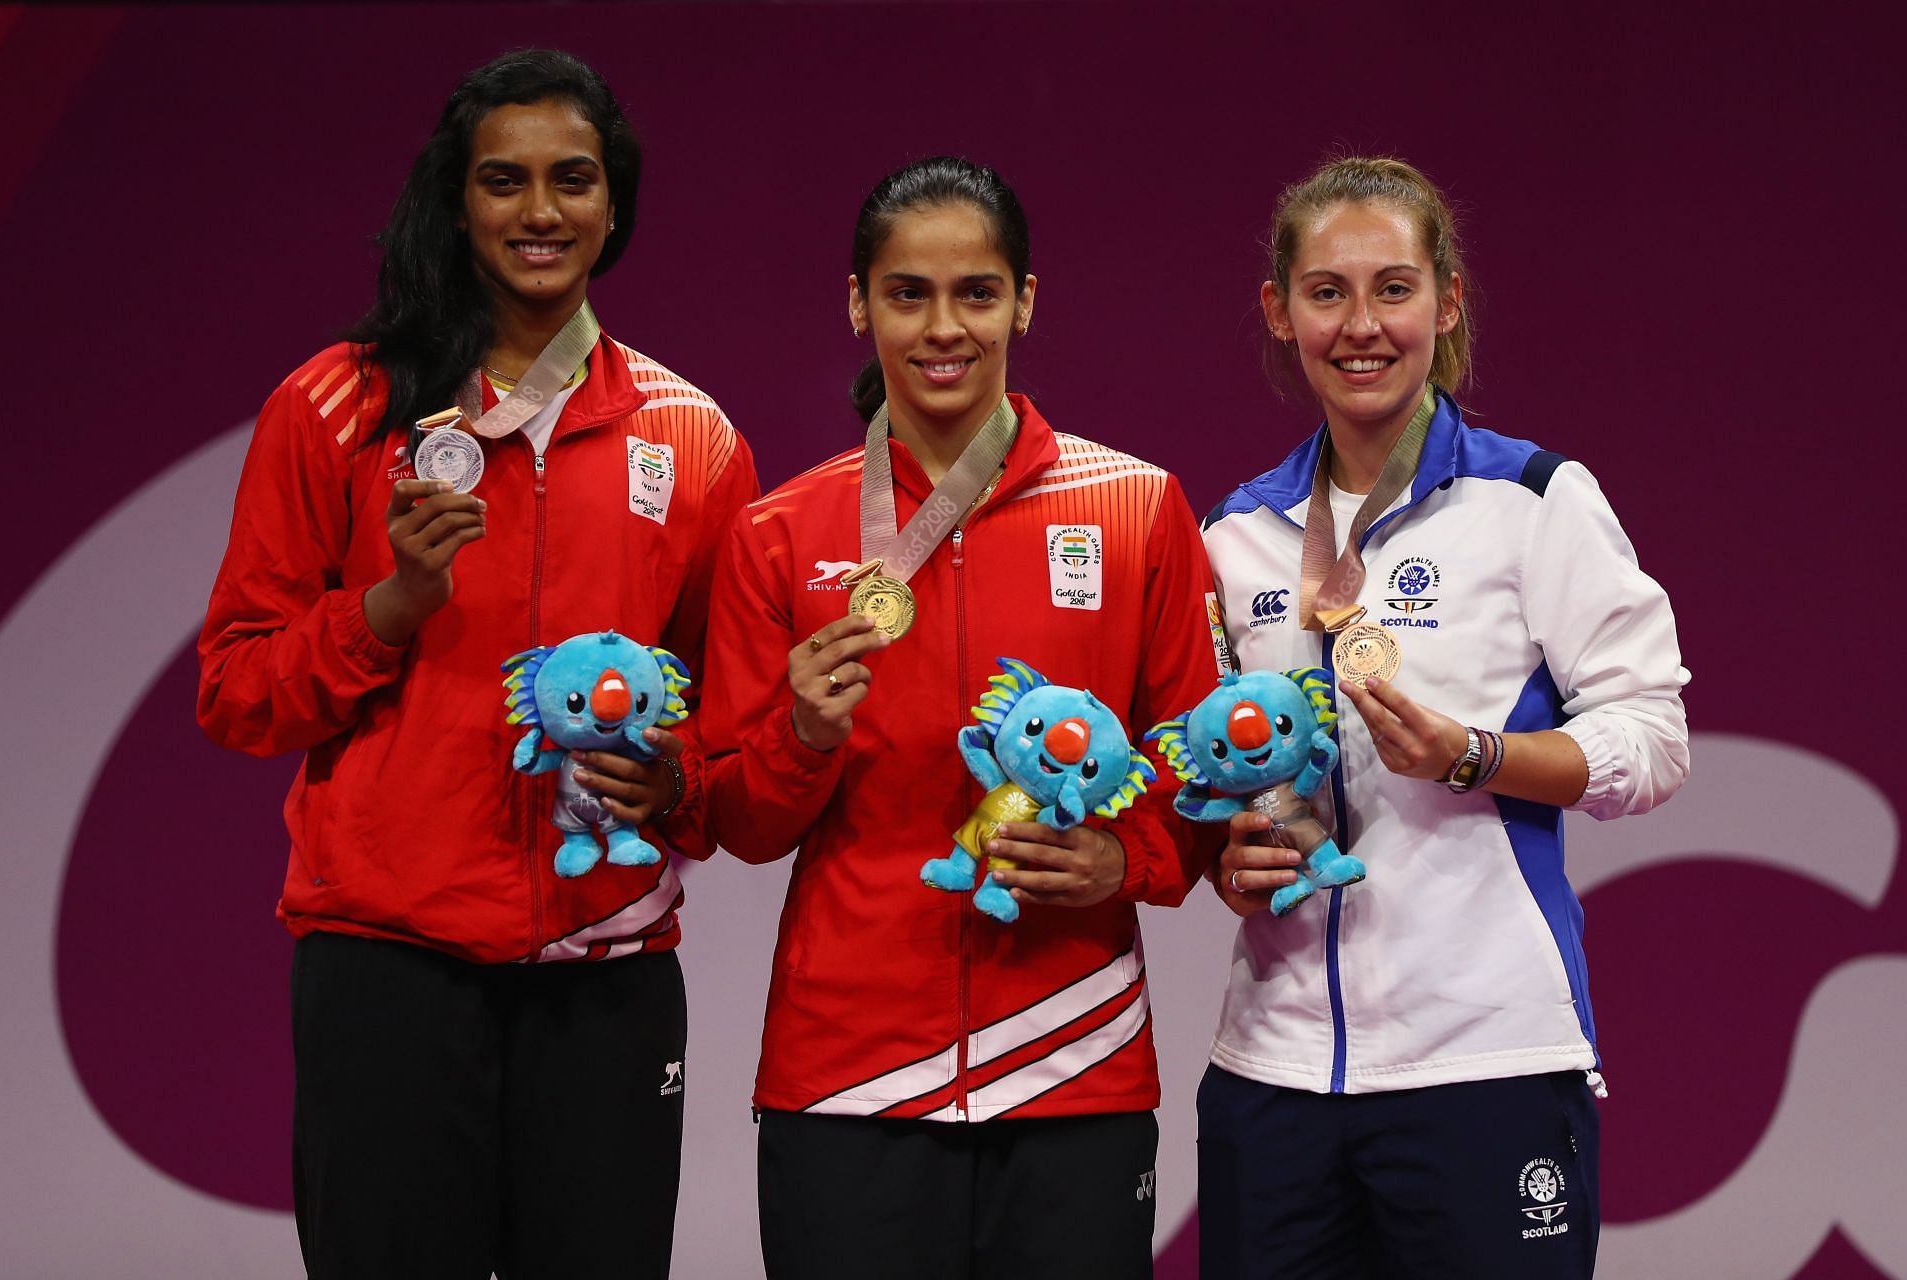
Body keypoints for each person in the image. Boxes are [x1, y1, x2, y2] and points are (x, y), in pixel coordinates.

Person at [196, 49, 757, 1279]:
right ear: (458, 202)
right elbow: (235, 688)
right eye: (504, 182)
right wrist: (387, 608)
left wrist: (678, 786)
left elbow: (727, 720)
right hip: (389, 968)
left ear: (615, 206)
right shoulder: (340, 406)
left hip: (604, 978)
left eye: (572, 180)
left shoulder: (693, 437)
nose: (540, 211)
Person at [700, 156, 1221, 1279]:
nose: (945, 328)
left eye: (977, 292)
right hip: (848, 1071)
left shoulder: (1135, 508)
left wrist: (1114, 857)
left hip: (1072, 1056)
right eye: (907, 293)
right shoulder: (781, 532)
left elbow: (1199, 783)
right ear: (857, 302)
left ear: (1026, 300)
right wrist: (803, 735)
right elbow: (735, 818)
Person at [1196, 155, 1691, 1278]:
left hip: (1485, 1061)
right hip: (1272, 1072)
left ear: (1447, 301)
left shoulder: (1534, 502)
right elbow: (1216, 773)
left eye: (1394, 288)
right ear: (1280, 312)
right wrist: (1226, 856)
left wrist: (1477, 755)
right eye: (1325, 292)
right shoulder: (1236, 534)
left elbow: (1653, 739)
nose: (1360, 325)